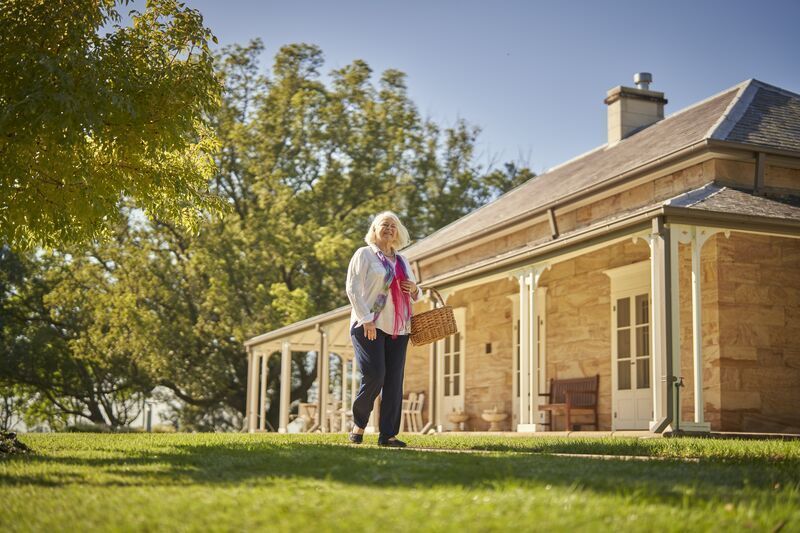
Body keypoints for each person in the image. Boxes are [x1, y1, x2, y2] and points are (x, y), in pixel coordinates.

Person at [345, 211, 420, 447]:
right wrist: (366, 319)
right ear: (374, 229)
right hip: (369, 324)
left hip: (399, 327)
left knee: (394, 381)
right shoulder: (364, 254)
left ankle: (388, 435)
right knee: (375, 375)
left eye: (393, 226)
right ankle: (359, 425)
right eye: (384, 224)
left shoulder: (402, 260)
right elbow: (353, 289)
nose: (389, 228)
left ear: (397, 232)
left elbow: (416, 292)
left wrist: (415, 289)